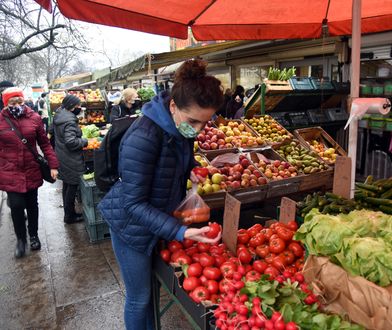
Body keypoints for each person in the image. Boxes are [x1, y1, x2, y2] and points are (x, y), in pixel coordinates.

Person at [98, 59, 223, 330]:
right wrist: (181, 232)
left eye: (205, 123)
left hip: (158, 219)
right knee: (139, 298)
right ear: (173, 106)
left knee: (150, 292)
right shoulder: (143, 137)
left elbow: (180, 160)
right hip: (131, 227)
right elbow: (133, 204)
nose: (199, 130)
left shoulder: (181, 127)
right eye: (194, 122)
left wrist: (193, 169)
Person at [0, 87, 59, 258]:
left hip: (31, 168)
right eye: (13, 102)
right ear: (6, 103)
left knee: (32, 204)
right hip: (9, 170)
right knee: (17, 206)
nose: (17, 104)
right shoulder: (1, 120)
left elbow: (45, 144)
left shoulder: (34, 117)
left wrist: (53, 165)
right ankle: (21, 240)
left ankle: (33, 235)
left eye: (20, 101)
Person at [52, 95, 88, 224]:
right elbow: (71, 142)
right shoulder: (70, 121)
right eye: (78, 106)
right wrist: (84, 141)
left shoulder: (59, 116)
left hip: (62, 155)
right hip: (71, 158)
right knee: (72, 185)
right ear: (72, 107)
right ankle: (70, 216)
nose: (80, 108)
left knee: (67, 185)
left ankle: (69, 213)